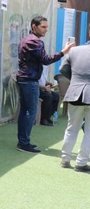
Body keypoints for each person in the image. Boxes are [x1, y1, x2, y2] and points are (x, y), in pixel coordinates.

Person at [16, 16, 73, 153]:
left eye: (47, 27)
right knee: (30, 111)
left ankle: (23, 141)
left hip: (26, 79)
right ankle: (23, 143)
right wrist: (63, 52)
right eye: (43, 27)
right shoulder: (35, 42)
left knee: (25, 111)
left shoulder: (27, 39)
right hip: (29, 81)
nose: (46, 29)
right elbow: (46, 60)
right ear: (34, 26)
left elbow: (37, 61)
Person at [58, 43, 90, 172]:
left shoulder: (74, 51)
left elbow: (62, 69)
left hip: (75, 93)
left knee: (71, 128)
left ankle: (65, 159)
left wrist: (76, 80)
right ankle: (81, 163)